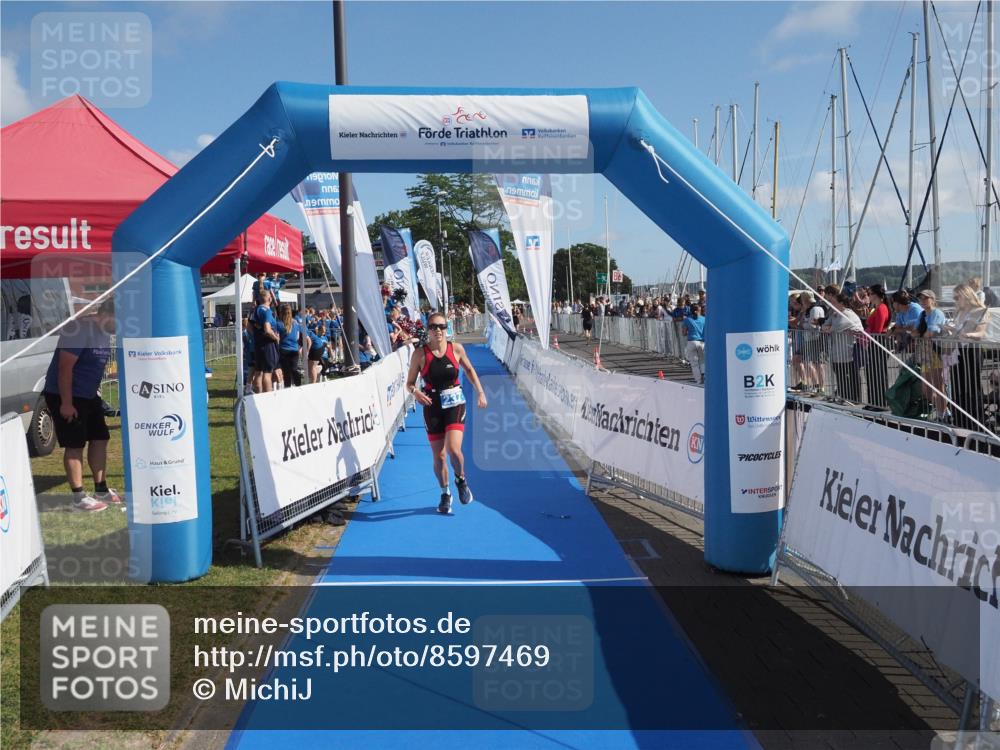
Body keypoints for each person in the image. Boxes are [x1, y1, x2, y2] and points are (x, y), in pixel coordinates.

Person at [42, 299, 121, 512]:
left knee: (100, 438)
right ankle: (79, 497)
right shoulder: (78, 329)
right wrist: (66, 403)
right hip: (65, 394)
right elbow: (65, 368)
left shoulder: (103, 331)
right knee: (75, 443)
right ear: (107, 313)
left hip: (87, 395)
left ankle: (101, 489)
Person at [406, 312, 488, 515]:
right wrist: (415, 392)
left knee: (453, 449)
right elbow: (409, 383)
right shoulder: (420, 354)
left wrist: (480, 392)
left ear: (447, 328)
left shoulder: (456, 349)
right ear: (428, 330)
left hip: (454, 402)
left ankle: (461, 480)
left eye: (442, 327)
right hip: (432, 405)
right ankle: (445, 494)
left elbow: (469, 370)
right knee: (439, 456)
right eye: (434, 327)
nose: (438, 331)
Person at [942, 283, 990, 430]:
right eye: (954, 297)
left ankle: (976, 421)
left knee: (971, 385)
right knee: (957, 386)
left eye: (957, 296)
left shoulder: (981, 310)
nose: (955, 300)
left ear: (966, 295)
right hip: (958, 351)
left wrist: (969, 335)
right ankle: (960, 420)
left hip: (971, 350)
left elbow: (982, 332)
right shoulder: (959, 312)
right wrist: (950, 330)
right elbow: (957, 331)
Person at [824, 292, 863, 403]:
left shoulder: (848, 314)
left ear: (841, 303)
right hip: (837, 351)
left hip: (849, 351)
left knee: (850, 376)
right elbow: (825, 326)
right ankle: (843, 396)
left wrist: (829, 327)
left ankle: (854, 399)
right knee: (840, 375)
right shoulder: (835, 314)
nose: (831, 304)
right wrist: (828, 327)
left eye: (833, 302)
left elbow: (836, 327)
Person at [915, 290, 947, 419]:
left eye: (925, 298)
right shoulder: (922, 314)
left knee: (938, 385)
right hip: (924, 351)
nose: (922, 301)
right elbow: (916, 332)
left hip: (935, 351)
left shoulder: (937, 313)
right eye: (920, 298)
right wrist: (921, 334)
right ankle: (945, 410)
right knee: (926, 388)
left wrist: (920, 334)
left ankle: (942, 414)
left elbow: (931, 333)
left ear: (933, 299)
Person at [252, 289, 281, 392]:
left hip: (258, 344)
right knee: (267, 372)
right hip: (268, 345)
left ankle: (259, 395)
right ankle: (267, 397)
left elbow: (250, 327)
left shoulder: (256, 310)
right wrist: (276, 338)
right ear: (270, 298)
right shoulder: (267, 311)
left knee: (258, 372)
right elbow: (267, 330)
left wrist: (257, 335)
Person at [276, 304, 304, 388]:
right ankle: (298, 385)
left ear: (281, 312)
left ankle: (287, 388)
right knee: (294, 369)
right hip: (294, 350)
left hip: (283, 350)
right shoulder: (296, 323)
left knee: (286, 372)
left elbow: (277, 338)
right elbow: (298, 337)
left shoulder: (279, 324)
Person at [682, 302, 706, 384]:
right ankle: (704, 376)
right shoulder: (704, 319)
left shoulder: (687, 320)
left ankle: (698, 380)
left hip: (691, 342)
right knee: (702, 361)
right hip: (702, 342)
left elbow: (684, 333)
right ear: (699, 310)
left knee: (694, 364)